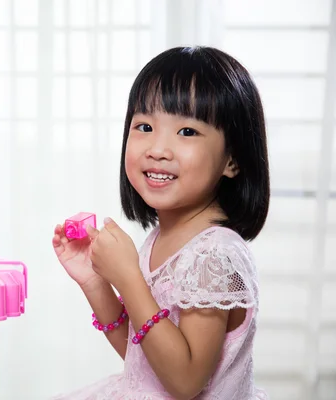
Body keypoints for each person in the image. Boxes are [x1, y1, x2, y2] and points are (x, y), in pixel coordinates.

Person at [51, 46, 270, 400]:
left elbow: (184, 382)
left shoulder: (213, 256)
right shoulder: (160, 239)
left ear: (232, 159)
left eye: (186, 132)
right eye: (145, 126)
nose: (157, 148)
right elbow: (145, 360)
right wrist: (96, 283)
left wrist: (128, 277)